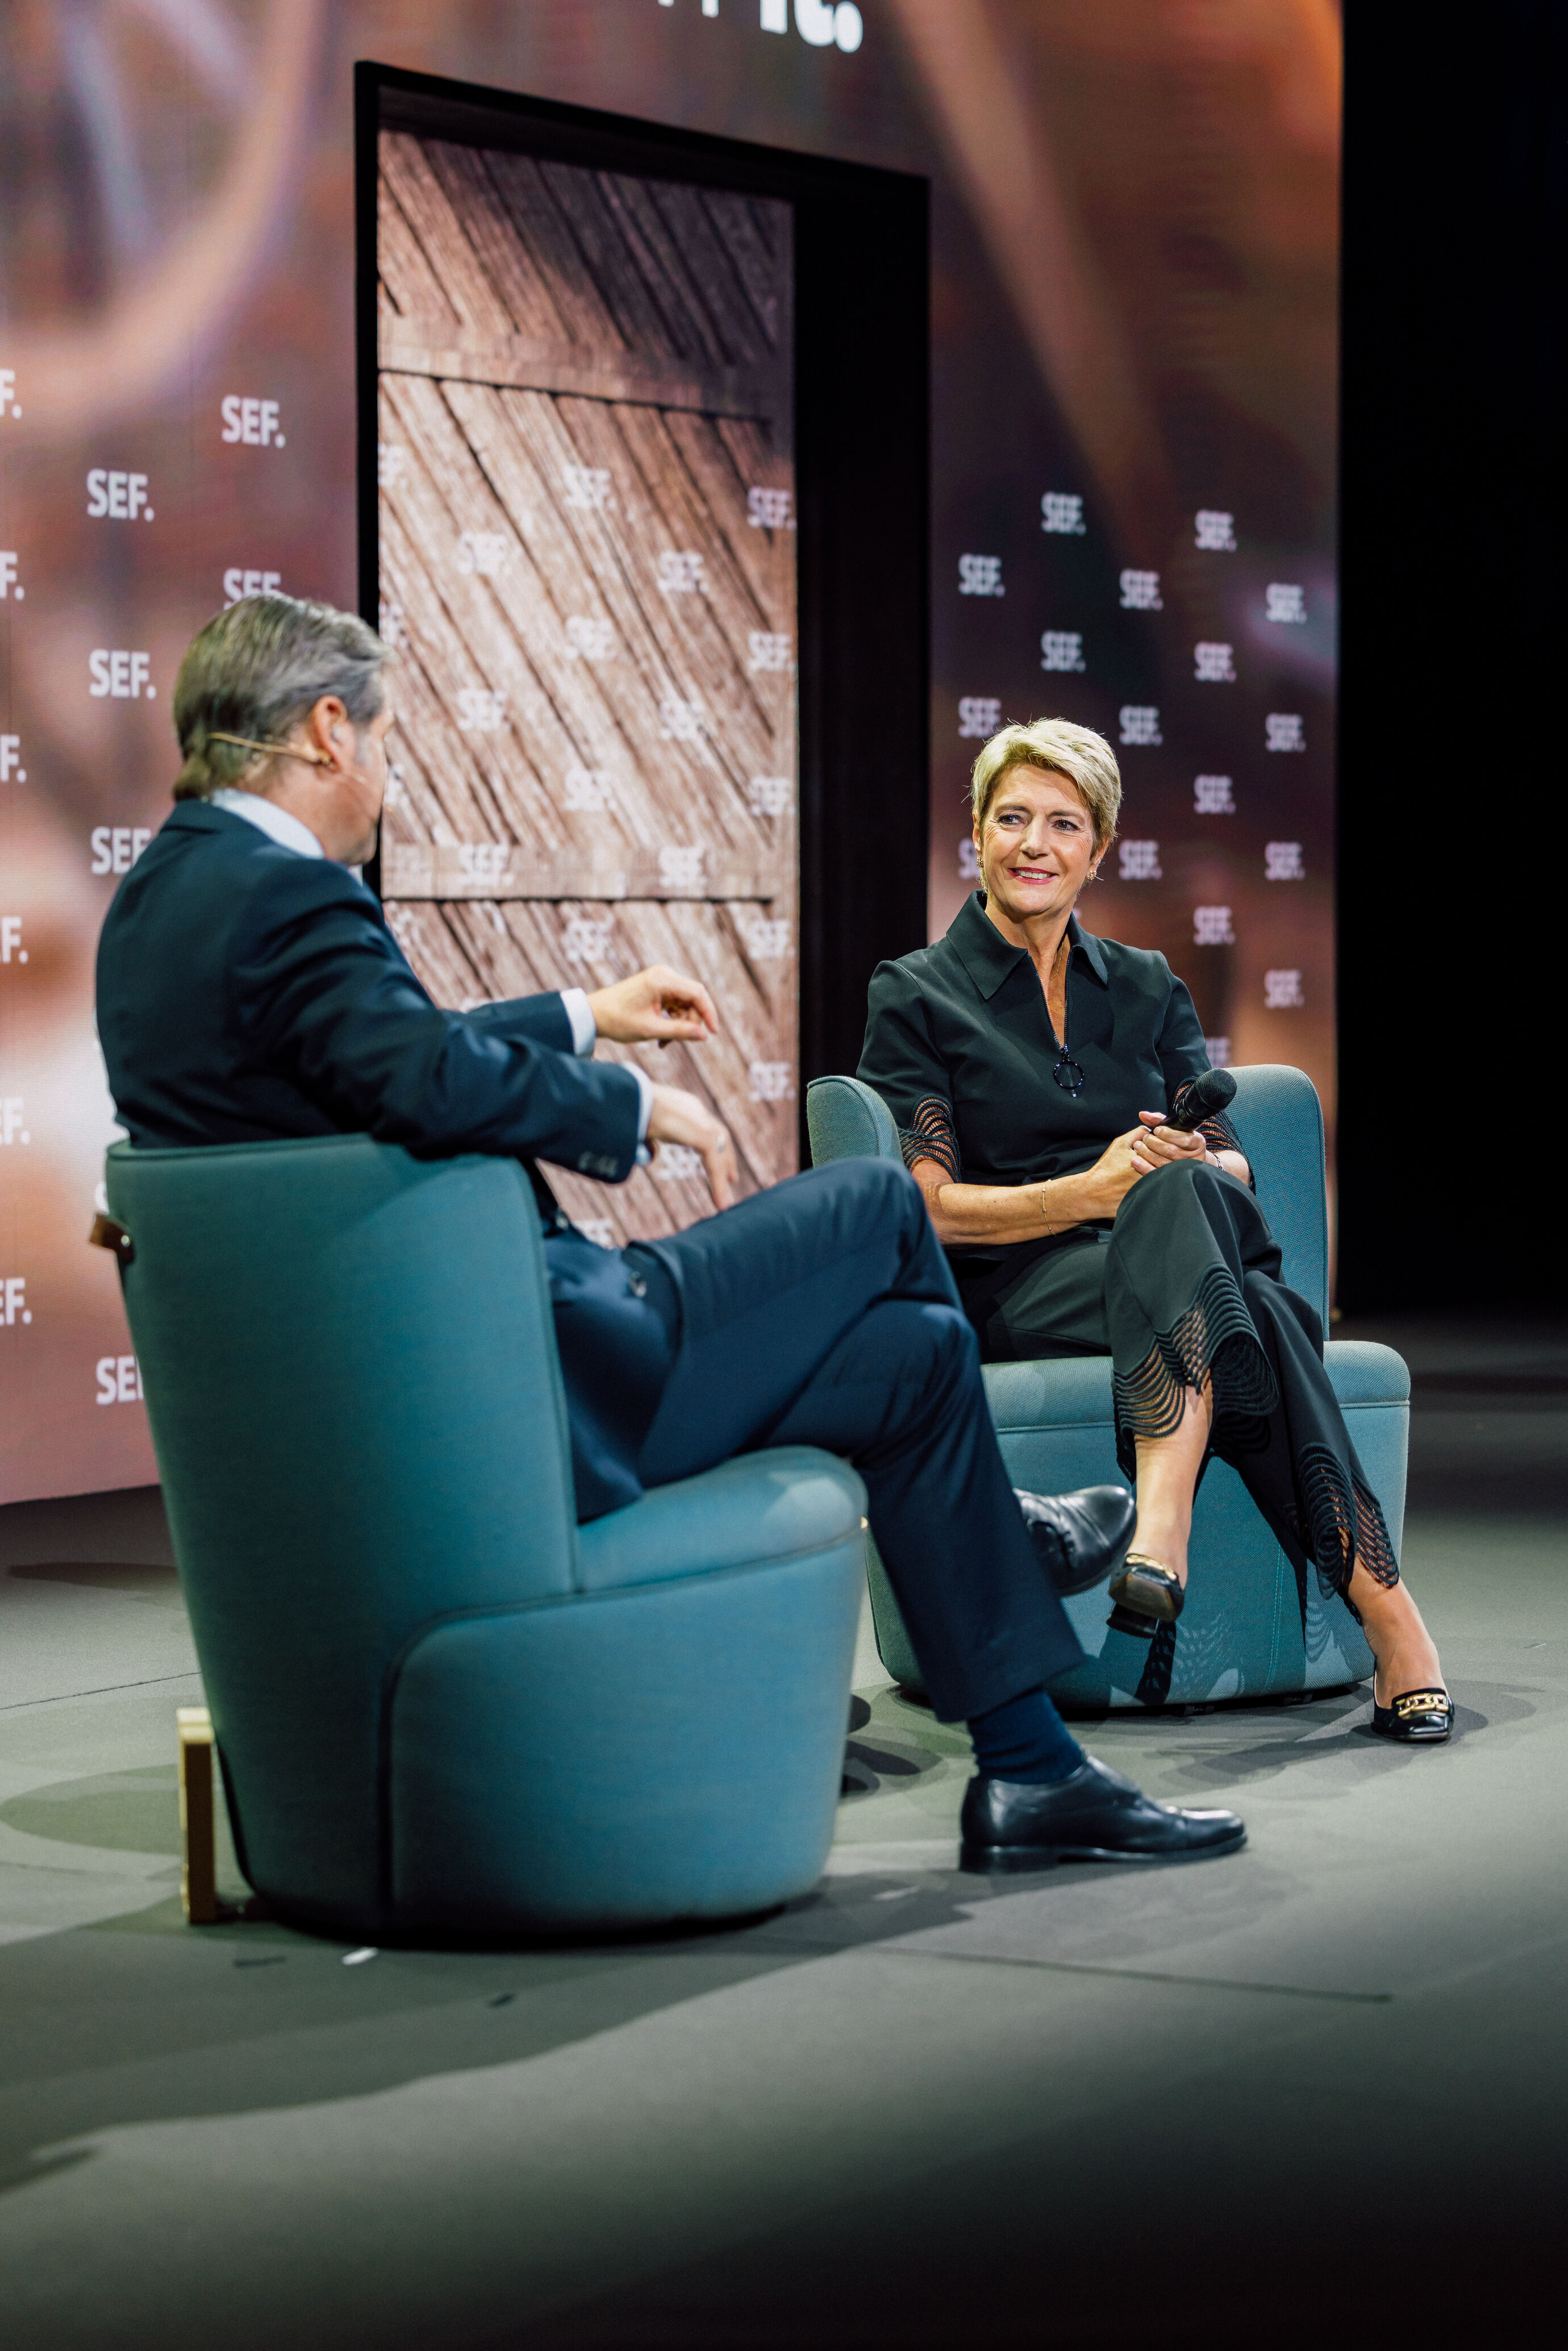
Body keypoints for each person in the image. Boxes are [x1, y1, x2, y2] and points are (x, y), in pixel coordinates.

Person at [95, 596, 1247, 1867]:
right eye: (383, 739)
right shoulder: (288, 898)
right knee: (874, 1207)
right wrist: (626, 1101)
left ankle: (1033, 1770)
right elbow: (417, 1077)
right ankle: (1011, 1535)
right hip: (544, 1382)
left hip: (420, 1397)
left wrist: (584, 1012)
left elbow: (364, 1045)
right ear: (327, 731)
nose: (383, 772)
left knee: (918, 1360)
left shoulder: (164, 900)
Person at [858, 718, 1450, 1745]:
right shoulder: (915, 992)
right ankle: (1394, 1623)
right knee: (1253, 1300)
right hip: (1022, 1286)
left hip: (1171, 1260)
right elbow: (928, 1208)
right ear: (978, 835)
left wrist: (1185, 1163)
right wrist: (1092, 1191)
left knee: (1183, 1192)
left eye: (1062, 823)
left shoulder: (1145, 983)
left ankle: (1158, 1532)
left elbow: (1228, 1160)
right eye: (1011, 819)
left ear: (1100, 848)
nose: (1033, 842)